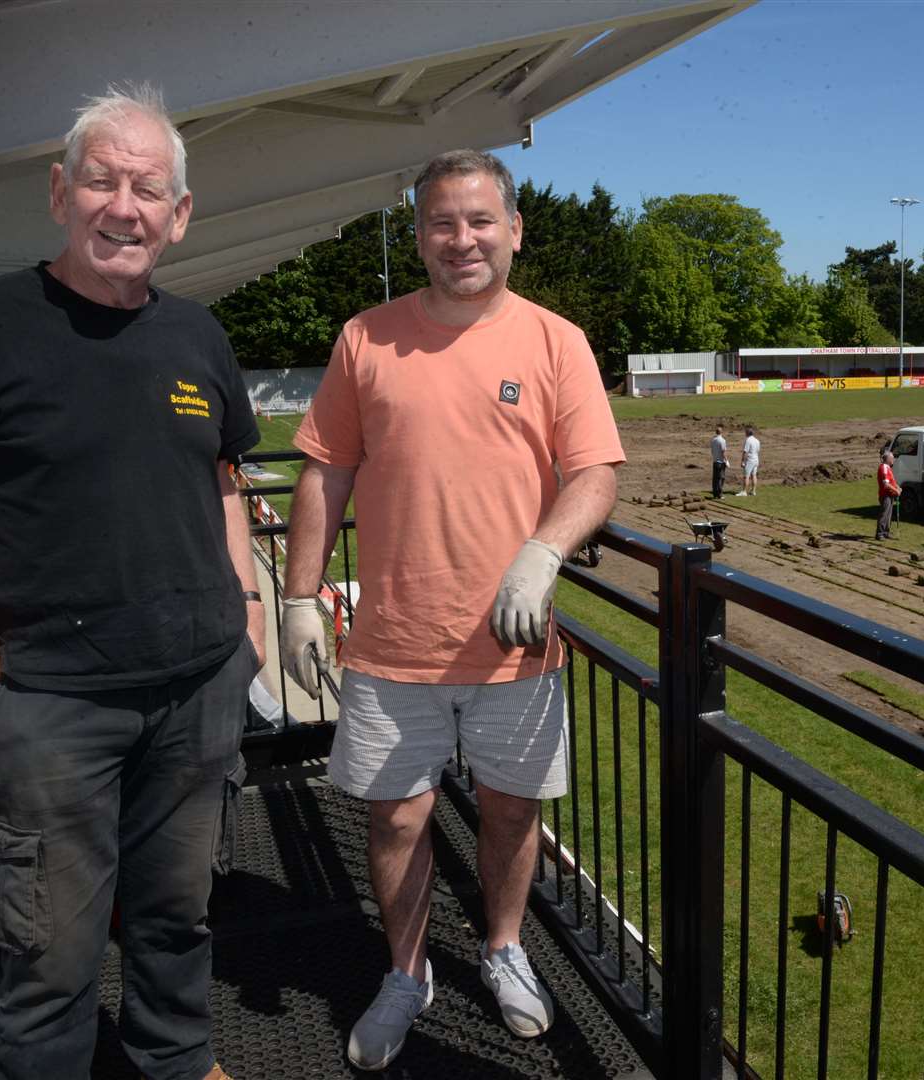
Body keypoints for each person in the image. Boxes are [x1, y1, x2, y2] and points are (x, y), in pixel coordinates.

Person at [0, 84, 259, 1080]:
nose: (123, 206)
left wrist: (249, 621)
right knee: (49, 953)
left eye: (149, 189)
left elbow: (223, 483)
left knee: (177, 918)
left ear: (178, 217)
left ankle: (174, 1063)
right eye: (102, 180)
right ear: (60, 193)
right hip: (49, 703)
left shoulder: (196, 337)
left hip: (194, 690)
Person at [279, 149, 624, 1072]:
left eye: (480, 221)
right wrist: (298, 598)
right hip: (393, 642)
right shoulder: (367, 338)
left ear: (514, 231)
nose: (461, 239)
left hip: (516, 647)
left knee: (512, 815)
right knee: (395, 820)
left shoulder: (557, 340)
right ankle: (406, 972)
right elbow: (326, 472)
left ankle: (505, 950)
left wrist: (542, 554)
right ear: (419, 235)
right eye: (442, 222)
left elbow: (594, 474)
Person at [874, 450, 899, 540]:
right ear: (888, 459)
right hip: (885, 495)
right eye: (892, 458)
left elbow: (892, 481)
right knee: (884, 514)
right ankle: (880, 533)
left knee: (888, 515)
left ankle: (886, 532)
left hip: (890, 495)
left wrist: (898, 487)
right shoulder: (884, 468)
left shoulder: (888, 468)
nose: (894, 460)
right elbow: (886, 484)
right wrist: (896, 490)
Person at [738, 424, 761, 496]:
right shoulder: (757, 440)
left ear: (747, 433)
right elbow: (758, 450)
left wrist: (742, 461)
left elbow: (745, 451)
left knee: (746, 476)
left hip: (750, 460)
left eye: (745, 432)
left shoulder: (748, 440)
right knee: (754, 475)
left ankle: (744, 491)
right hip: (756, 459)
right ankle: (753, 491)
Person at [710, 423, 728, 499]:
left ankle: (715, 493)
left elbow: (712, 451)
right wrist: (726, 460)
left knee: (715, 478)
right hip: (720, 462)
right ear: (721, 432)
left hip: (714, 461)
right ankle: (720, 494)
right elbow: (723, 452)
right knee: (721, 478)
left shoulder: (713, 440)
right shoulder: (722, 440)